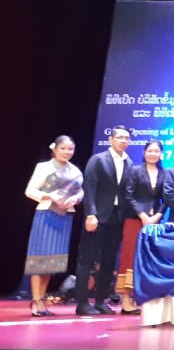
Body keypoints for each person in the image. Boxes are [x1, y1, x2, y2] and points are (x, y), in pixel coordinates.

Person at [74, 125, 133, 316]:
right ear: (111, 139)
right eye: (120, 137)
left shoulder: (129, 163)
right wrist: (90, 214)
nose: (123, 141)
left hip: (117, 218)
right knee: (87, 259)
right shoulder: (98, 159)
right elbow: (89, 188)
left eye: (126, 138)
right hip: (97, 216)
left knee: (109, 260)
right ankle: (82, 303)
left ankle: (101, 301)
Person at [23, 135, 83, 317]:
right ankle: (36, 300)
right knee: (39, 260)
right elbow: (29, 191)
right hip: (46, 215)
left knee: (52, 261)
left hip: (64, 217)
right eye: (63, 148)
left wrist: (76, 198)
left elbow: (80, 191)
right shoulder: (44, 167)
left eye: (70, 149)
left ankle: (42, 298)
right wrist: (49, 196)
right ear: (54, 149)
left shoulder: (75, 171)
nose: (67, 152)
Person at [116, 139, 165, 315]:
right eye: (150, 151)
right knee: (129, 257)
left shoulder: (164, 173)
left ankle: (142, 298)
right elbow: (128, 195)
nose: (153, 154)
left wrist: (158, 216)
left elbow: (166, 198)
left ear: (161, 154)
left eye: (156, 151)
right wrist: (142, 215)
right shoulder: (135, 170)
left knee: (147, 258)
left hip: (154, 222)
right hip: (134, 220)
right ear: (144, 153)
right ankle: (125, 300)